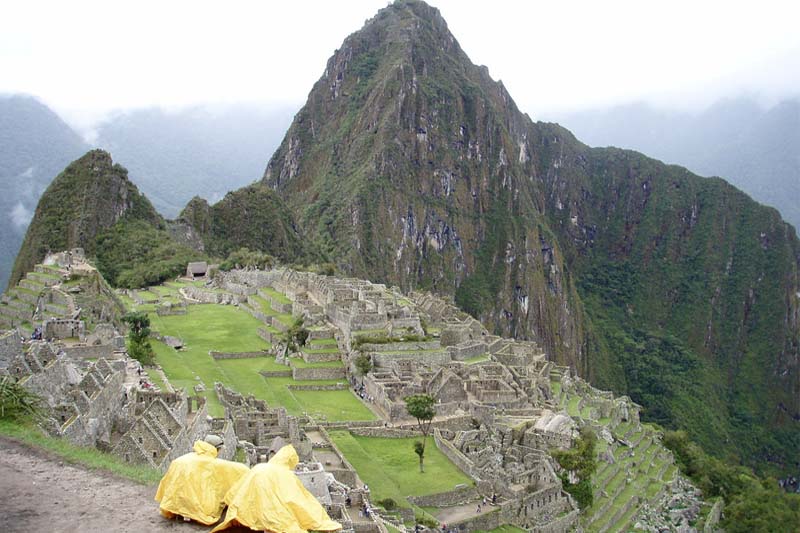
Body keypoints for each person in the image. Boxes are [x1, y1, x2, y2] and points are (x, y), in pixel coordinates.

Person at [213, 444, 341, 533]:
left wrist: (229, 501)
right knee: (277, 519)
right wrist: (321, 520)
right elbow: (298, 498)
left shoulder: (260, 467)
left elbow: (238, 488)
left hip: (246, 507)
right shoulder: (286, 474)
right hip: (269, 509)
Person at [155, 435, 248, 525]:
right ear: (217, 449)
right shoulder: (214, 464)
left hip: (173, 504)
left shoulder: (181, 459)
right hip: (198, 508)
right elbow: (241, 471)